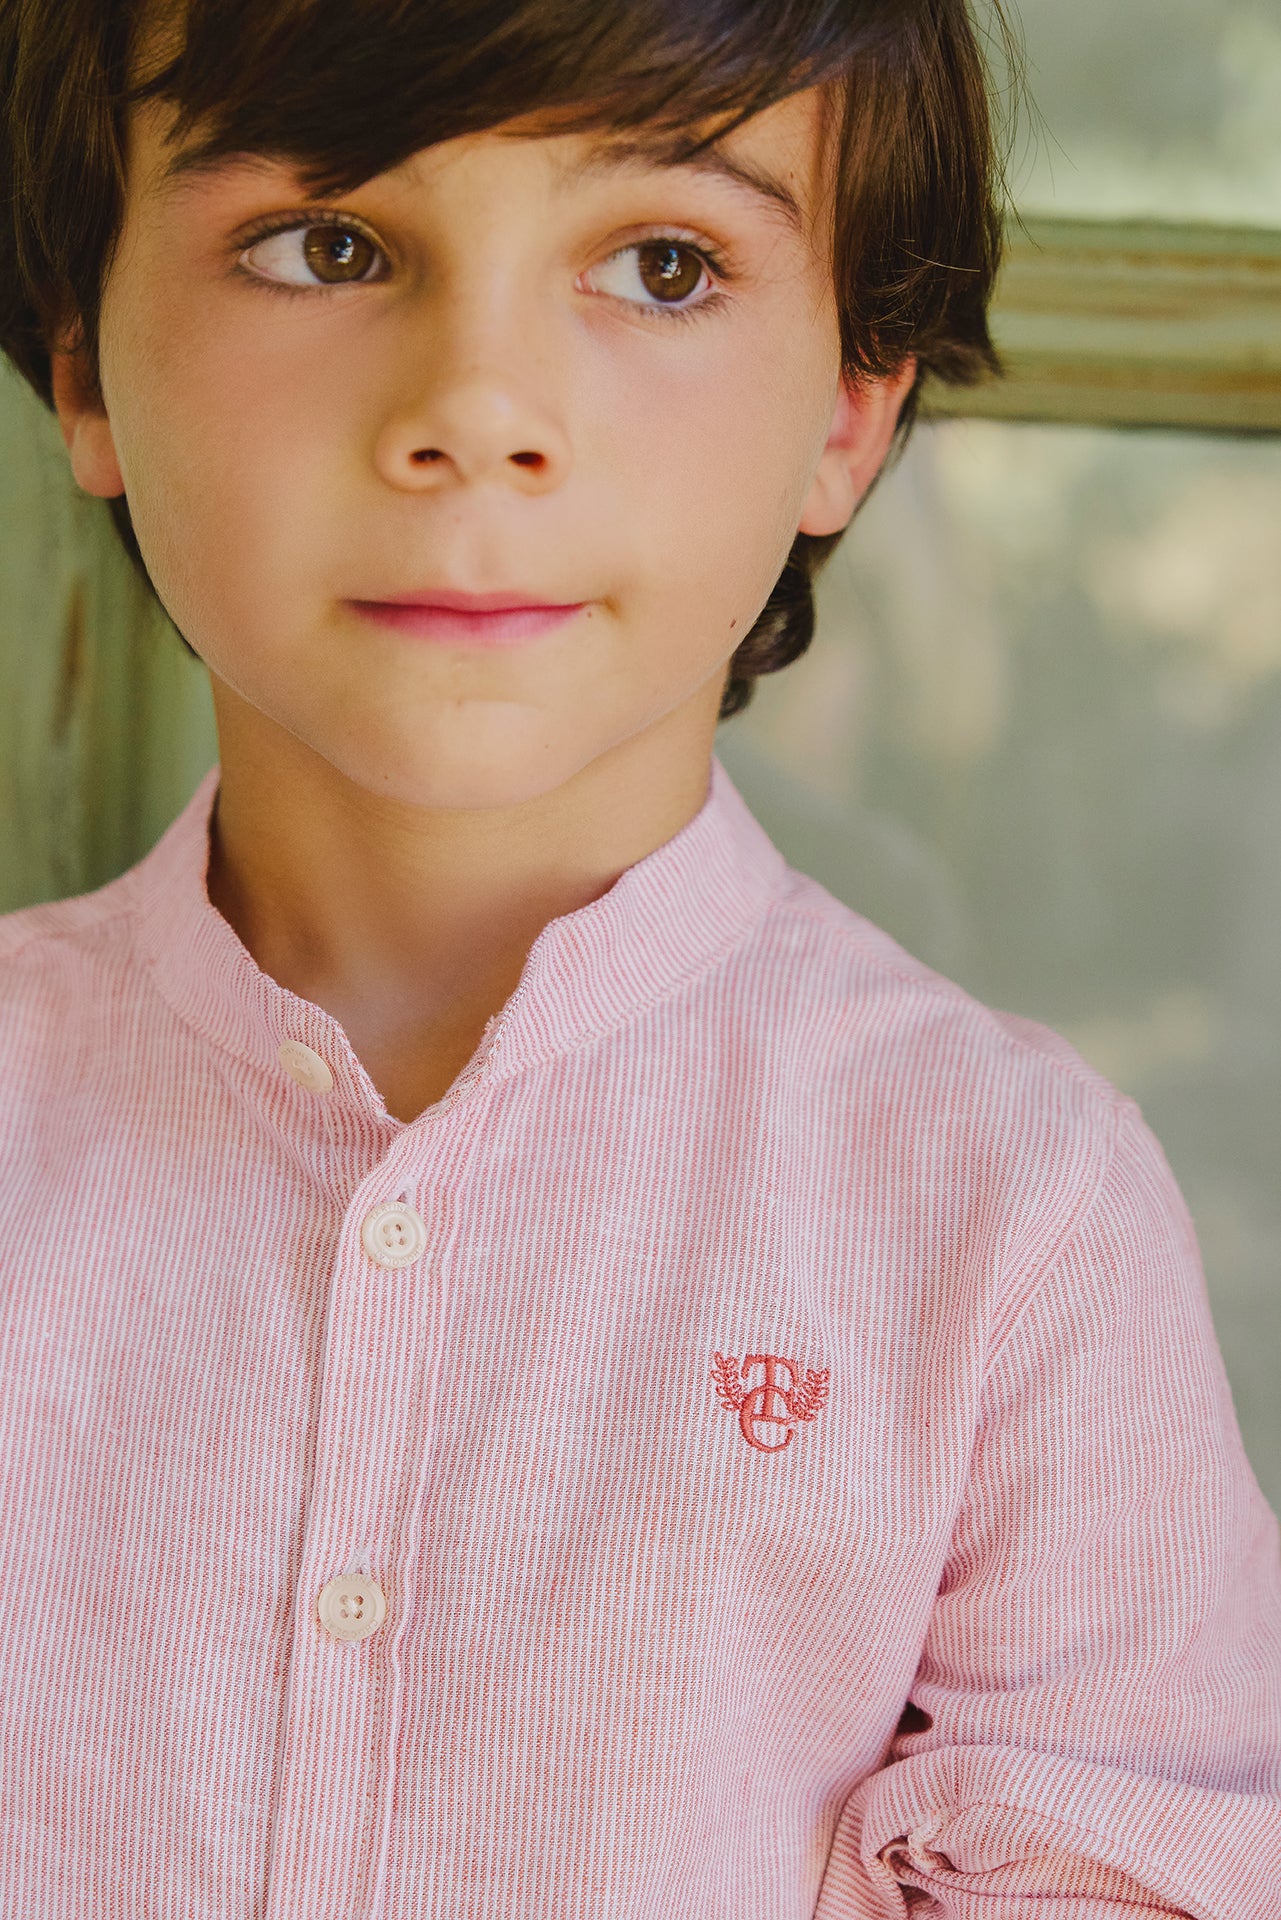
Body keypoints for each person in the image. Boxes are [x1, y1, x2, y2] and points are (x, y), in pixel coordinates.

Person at [1, 0, 1278, 1912]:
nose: (478, 410)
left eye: (661, 266)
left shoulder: (1011, 1214)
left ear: (849, 406)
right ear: (83, 366)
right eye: (328, 245)